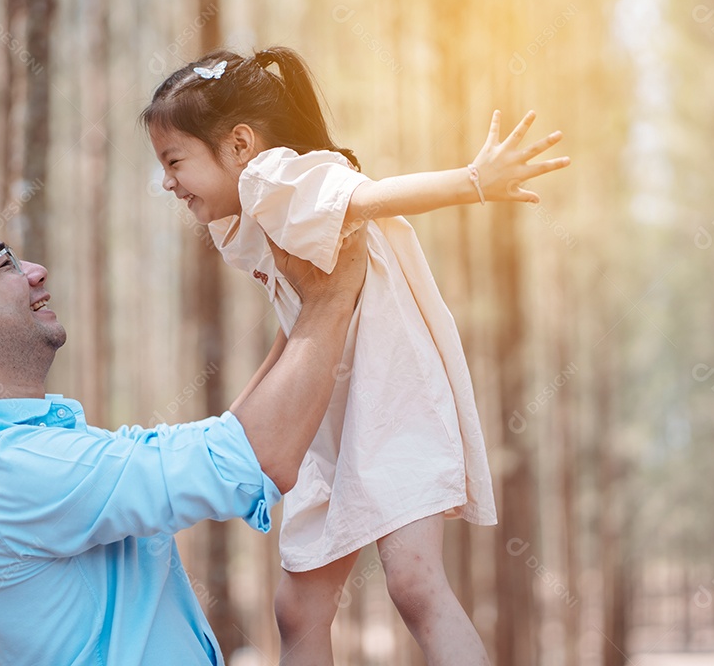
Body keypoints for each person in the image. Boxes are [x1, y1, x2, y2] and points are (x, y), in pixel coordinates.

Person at [142, 47, 571, 665]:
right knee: (299, 607)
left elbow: (370, 197)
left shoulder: (278, 177)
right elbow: (295, 325)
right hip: (327, 422)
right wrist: (238, 416)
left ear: (239, 144)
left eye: (174, 160)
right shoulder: (266, 209)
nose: (167, 181)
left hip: (394, 398)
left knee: (416, 586)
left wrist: (472, 182)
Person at [0, 210, 368, 665]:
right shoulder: (10, 469)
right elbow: (253, 456)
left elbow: (224, 441)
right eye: (2, 263)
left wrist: (300, 304)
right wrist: (335, 288)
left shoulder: (21, 454)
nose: (35, 271)